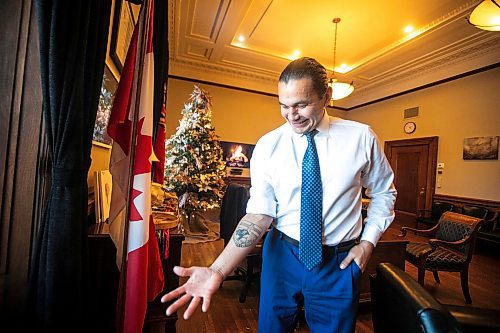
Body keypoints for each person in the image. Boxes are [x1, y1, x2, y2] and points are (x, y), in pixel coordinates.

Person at [161, 57, 397, 332]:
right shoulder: (268, 145)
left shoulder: (361, 138)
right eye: (283, 105)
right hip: (282, 254)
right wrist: (218, 269)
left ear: (326, 97)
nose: (291, 114)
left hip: (338, 262)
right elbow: (260, 213)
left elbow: (383, 192)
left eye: (301, 104)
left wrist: (368, 243)